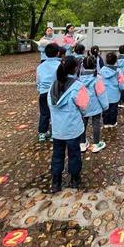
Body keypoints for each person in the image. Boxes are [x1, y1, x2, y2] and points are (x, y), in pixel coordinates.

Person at [47, 56, 89, 192]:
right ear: (75, 68)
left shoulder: (52, 86)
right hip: (72, 129)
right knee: (74, 154)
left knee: (57, 155)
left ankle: (56, 182)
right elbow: (85, 107)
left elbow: (50, 105)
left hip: (58, 130)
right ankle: (75, 180)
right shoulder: (78, 87)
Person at [79, 56, 109, 153]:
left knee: (83, 123)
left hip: (83, 106)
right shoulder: (97, 79)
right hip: (96, 106)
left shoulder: (79, 79)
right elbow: (101, 94)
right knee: (96, 124)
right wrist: (105, 106)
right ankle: (96, 143)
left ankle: (82, 143)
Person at [36, 43, 60, 142]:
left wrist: (40, 90)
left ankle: (42, 133)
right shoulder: (59, 65)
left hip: (43, 92)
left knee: (44, 113)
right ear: (58, 53)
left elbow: (38, 81)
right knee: (55, 112)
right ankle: (54, 134)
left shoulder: (40, 66)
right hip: (55, 92)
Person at [100, 52, 124, 128]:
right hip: (114, 94)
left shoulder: (102, 71)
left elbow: (99, 82)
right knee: (114, 109)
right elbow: (121, 83)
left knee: (105, 109)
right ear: (115, 61)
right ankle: (112, 122)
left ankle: (105, 122)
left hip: (105, 94)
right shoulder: (118, 71)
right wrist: (122, 89)